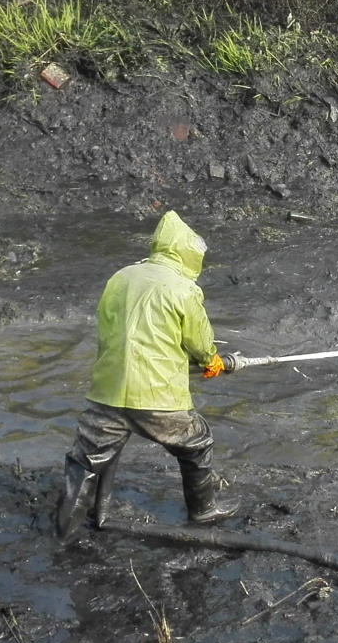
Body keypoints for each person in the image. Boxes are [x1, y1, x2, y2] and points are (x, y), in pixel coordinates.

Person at [56, 210, 237, 540]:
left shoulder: (120, 277)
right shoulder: (184, 289)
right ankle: (204, 511)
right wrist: (212, 361)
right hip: (157, 396)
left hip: (106, 392)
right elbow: (198, 342)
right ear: (187, 253)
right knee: (197, 443)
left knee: (84, 462)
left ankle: (63, 534)